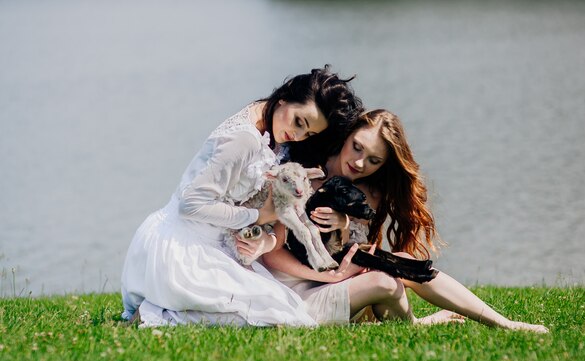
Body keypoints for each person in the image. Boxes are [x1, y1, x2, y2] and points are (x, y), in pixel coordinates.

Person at [262, 109, 549, 333]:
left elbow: (352, 255)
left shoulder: (368, 193)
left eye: (374, 160)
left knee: (401, 261)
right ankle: (415, 323)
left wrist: (345, 225)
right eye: (357, 147)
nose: (360, 163)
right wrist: (328, 276)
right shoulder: (301, 175)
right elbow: (273, 255)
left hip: (336, 282)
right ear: (347, 136)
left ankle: (504, 323)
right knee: (386, 283)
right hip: (294, 294)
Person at [120, 66, 363, 327]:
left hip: (216, 243)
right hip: (183, 247)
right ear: (283, 99)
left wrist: (267, 236)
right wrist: (257, 216)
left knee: (286, 310)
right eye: (299, 122)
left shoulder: (269, 122)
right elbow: (190, 204)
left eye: (309, 133)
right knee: (278, 317)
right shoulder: (244, 140)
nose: (299, 135)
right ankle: (155, 313)